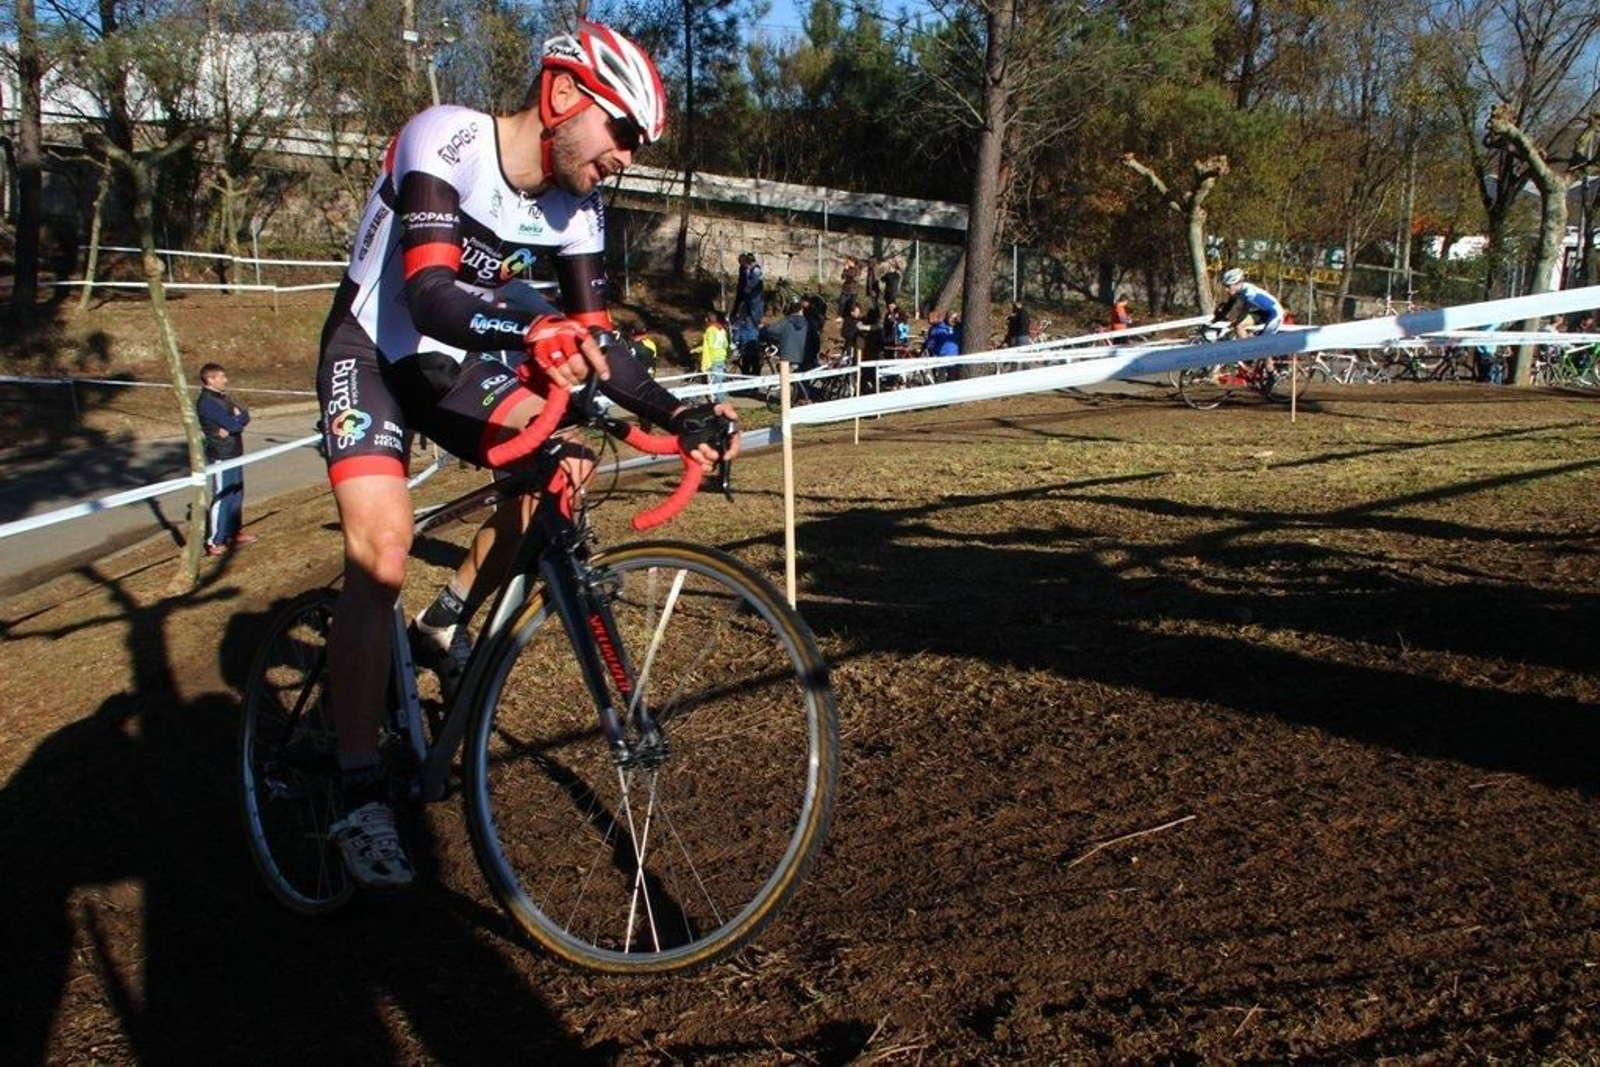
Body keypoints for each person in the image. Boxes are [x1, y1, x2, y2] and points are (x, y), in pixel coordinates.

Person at [314, 21, 740, 890]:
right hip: (373, 351)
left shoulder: (578, 207)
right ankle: (355, 792)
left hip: (452, 365)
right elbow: (429, 294)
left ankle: (447, 616)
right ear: (562, 96)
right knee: (381, 550)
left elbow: (597, 340)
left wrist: (677, 410)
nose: (625, 155)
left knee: (568, 465)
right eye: (621, 131)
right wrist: (533, 325)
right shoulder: (448, 138)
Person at [195, 362, 258, 557]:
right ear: (211, 379)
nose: (225, 380)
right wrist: (234, 422)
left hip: (235, 451)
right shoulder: (207, 402)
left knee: (236, 493)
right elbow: (234, 424)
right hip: (221, 455)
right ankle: (215, 540)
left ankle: (233, 532)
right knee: (223, 496)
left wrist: (236, 421)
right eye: (221, 377)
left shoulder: (224, 397)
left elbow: (244, 416)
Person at [1212, 267, 1284, 339]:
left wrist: (1232, 323)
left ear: (1237, 284)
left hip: (1275, 315)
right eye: (1225, 286)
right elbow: (1228, 307)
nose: (1226, 290)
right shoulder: (1238, 291)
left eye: (1228, 286)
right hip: (1261, 313)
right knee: (1238, 326)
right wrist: (1214, 321)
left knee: (1263, 342)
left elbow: (1244, 312)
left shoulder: (1249, 293)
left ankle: (1250, 348)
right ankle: (1246, 346)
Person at [696, 308, 729, 400]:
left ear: (707, 320)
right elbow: (725, 344)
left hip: (712, 359)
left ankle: (720, 402)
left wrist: (696, 350)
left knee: (715, 383)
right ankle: (720, 400)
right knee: (719, 381)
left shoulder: (710, 330)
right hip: (721, 358)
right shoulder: (722, 329)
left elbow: (708, 346)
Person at [733, 251, 764, 327]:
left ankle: (755, 327)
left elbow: (753, 283)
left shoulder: (755, 270)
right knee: (744, 312)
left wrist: (747, 289)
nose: (743, 265)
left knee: (754, 313)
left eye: (743, 263)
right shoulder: (745, 269)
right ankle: (738, 324)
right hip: (747, 296)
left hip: (754, 296)